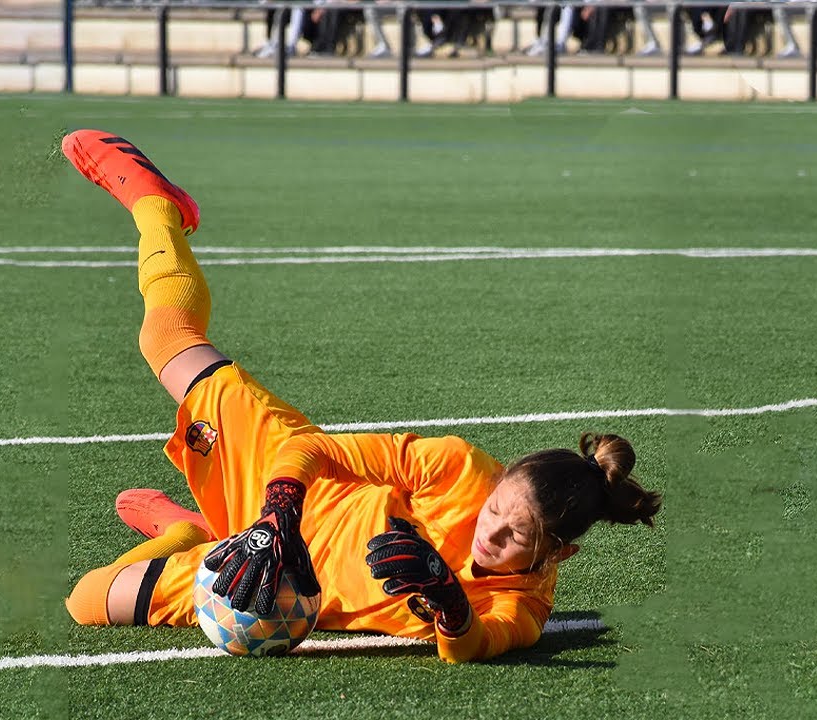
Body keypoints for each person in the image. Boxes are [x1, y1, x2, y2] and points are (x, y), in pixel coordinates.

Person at [59, 129, 663, 663]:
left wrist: (451, 603)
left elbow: (476, 644)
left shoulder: (522, 607)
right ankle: (157, 206)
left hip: (276, 584)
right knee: (165, 337)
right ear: (501, 479)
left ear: (559, 554)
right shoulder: (459, 468)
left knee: (84, 601)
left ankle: (189, 535)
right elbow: (318, 451)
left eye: (517, 538)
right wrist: (279, 511)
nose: (492, 532)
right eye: (498, 507)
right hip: (289, 493)